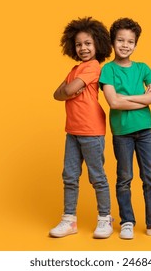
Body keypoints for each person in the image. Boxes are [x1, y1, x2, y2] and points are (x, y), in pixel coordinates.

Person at [99, 17, 151, 239]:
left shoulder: (143, 68)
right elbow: (114, 102)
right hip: (122, 132)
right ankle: (127, 221)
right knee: (124, 177)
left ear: (136, 44)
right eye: (120, 40)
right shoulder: (108, 70)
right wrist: (145, 98)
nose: (125, 45)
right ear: (112, 42)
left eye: (130, 41)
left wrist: (130, 97)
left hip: (145, 130)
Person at [50, 17, 113, 239]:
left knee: (97, 177)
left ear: (98, 44)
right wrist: (68, 90)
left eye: (88, 43)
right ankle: (69, 220)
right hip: (72, 131)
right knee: (69, 175)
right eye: (78, 44)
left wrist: (69, 90)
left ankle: (105, 218)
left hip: (91, 131)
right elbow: (57, 94)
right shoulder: (75, 69)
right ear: (72, 47)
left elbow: (66, 91)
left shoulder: (94, 67)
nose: (83, 48)